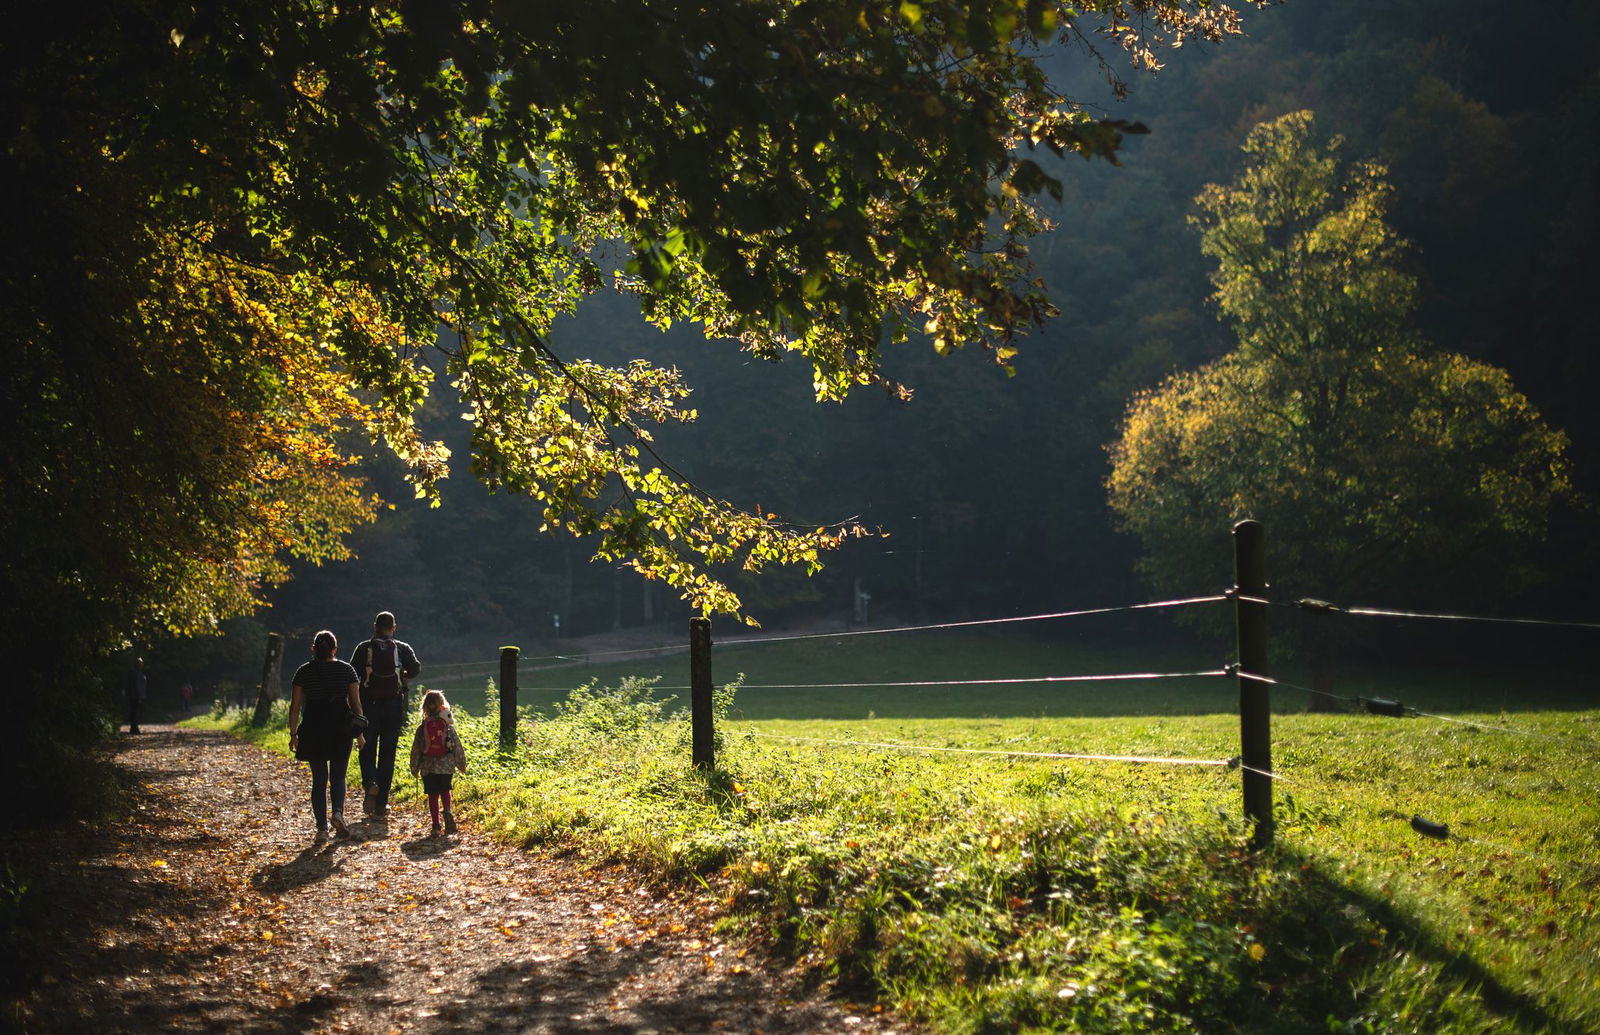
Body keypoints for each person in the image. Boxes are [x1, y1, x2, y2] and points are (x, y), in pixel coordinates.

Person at [287, 630, 365, 840]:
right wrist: (359, 734)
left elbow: (294, 707)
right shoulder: (347, 670)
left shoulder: (303, 671)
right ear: (334, 650)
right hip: (341, 728)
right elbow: (356, 704)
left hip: (313, 728)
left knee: (319, 780)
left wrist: (294, 733)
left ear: (314, 649)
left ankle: (322, 829)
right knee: (338, 776)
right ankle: (338, 813)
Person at [351, 611, 420, 819]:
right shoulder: (402, 647)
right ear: (394, 628)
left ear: (375, 626)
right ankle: (382, 805)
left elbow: (352, 673)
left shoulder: (364, 648)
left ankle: (371, 782)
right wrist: (401, 675)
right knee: (388, 753)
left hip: (368, 706)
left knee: (367, 747)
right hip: (393, 705)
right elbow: (416, 668)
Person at [408, 689, 468, 837]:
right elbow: (457, 746)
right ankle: (447, 810)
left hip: (428, 768)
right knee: (445, 790)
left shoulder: (422, 728)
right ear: (443, 705)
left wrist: (414, 767)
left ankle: (435, 825)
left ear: (425, 707)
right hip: (446, 767)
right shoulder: (448, 727)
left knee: (432, 795)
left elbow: (416, 749)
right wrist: (461, 764)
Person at [125, 657, 147, 734]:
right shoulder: (137, 673)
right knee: (136, 712)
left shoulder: (133, 673)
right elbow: (138, 686)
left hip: (133, 696)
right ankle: (134, 728)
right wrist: (140, 697)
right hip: (136, 697)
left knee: (134, 712)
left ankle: (133, 728)